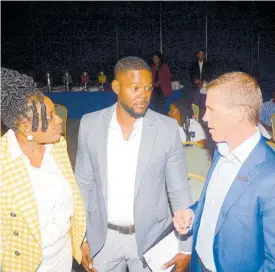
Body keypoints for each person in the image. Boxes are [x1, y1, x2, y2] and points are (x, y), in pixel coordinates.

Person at [75, 56, 193, 272]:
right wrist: (80, 237)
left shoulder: (166, 128)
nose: (144, 96)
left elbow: (179, 189)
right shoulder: (90, 125)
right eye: (136, 88)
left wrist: (185, 247)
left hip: (151, 239)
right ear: (116, 87)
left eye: (148, 88)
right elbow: (82, 185)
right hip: (103, 240)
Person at [164, 72, 275, 272]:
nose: (205, 117)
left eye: (211, 109)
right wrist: (191, 213)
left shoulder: (270, 175)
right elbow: (213, 203)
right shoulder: (220, 151)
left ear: (239, 113)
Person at [0, 68, 92, 272]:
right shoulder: (3, 162)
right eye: (50, 117)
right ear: (25, 128)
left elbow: (71, 201)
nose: (59, 119)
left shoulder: (57, 146)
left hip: (64, 257)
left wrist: (81, 241)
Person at [189, 49, 213, 118]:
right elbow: (192, 75)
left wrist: (202, 83)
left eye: (202, 54)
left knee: (203, 104)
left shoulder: (209, 65)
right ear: (197, 55)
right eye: (199, 54)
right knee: (195, 104)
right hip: (196, 87)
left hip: (205, 86)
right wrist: (195, 80)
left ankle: (203, 119)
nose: (201, 56)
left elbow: (210, 76)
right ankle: (195, 118)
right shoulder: (193, 65)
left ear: (204, 56)